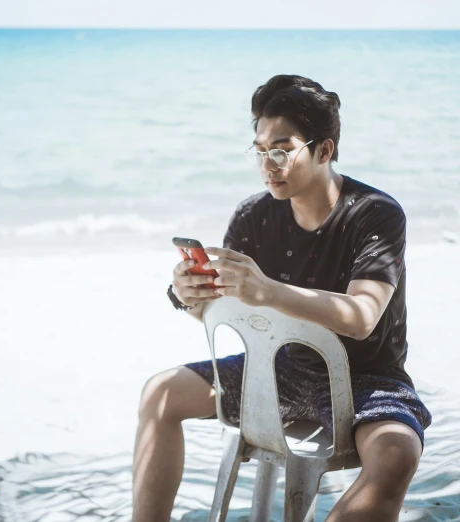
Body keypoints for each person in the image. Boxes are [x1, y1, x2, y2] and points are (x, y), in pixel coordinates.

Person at [133, 74, 432, 522]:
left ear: (324, 150)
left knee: (397, 451)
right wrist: (190, 296)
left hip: (365, 379)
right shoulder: (255, 214)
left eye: (281, 150)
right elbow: (223, 309)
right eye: (259, 151)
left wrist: (269, 291)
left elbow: (362, 316)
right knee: (159, 393)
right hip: (277, 368)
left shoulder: (376, 215)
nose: (267, 164)